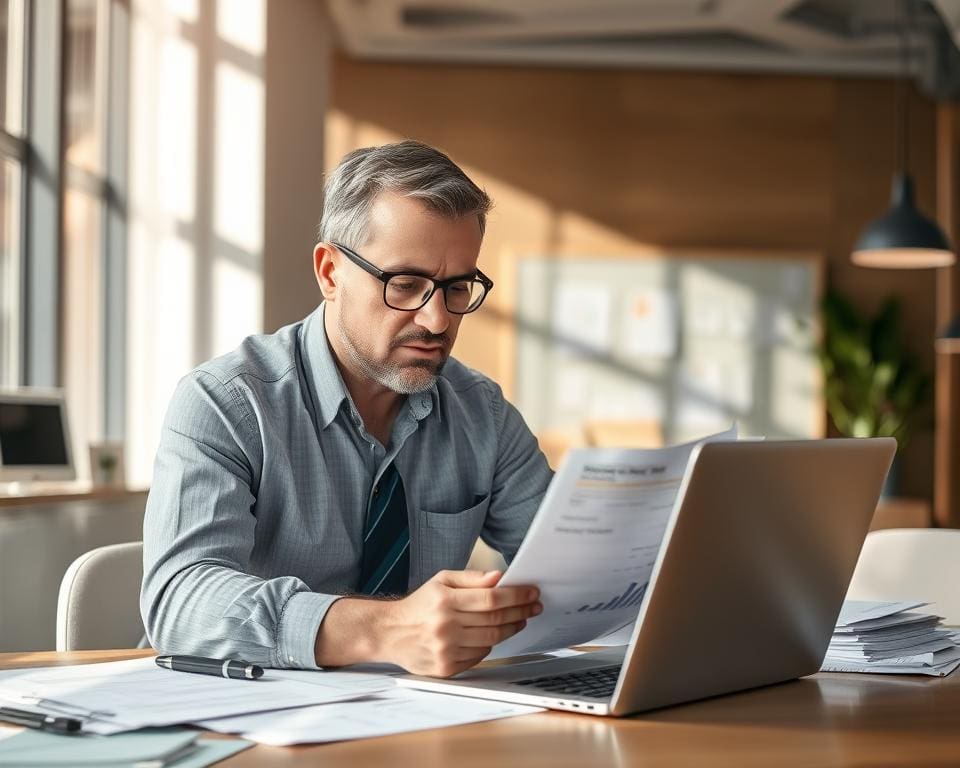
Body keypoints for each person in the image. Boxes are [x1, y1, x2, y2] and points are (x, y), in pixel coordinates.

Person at [141, 140, 553, 677]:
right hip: (255, 720)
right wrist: (388, 629)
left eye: (457, 288)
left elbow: (573, 569)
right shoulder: (225, 402)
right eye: (405, 284)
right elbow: (180, 601)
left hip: (426, 718)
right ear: (331, 272)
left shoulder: (484, 415)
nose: (436, 320)